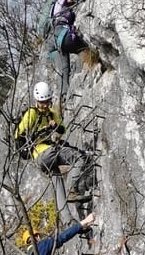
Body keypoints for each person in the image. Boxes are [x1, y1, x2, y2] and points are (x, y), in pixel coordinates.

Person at [14, 82, 95, 214]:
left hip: (44, 158)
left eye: (47, 102)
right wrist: (26, 152)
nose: (45, 105)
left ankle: (69, 221)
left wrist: (54, 126)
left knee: (58, 185)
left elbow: (63, 129)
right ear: (36, 101)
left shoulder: (51, 113)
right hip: (44, 153)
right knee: (79, 157)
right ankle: (72, 190)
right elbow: (18, 135)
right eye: (42, 102)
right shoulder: (32, 114)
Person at [51, 0, 89, 104]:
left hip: (59, 42)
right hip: (65, 36)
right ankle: (92, 59)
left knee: (65, 69)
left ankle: (64, 97)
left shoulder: (57, 13)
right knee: (87, 47)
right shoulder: (61, 1)